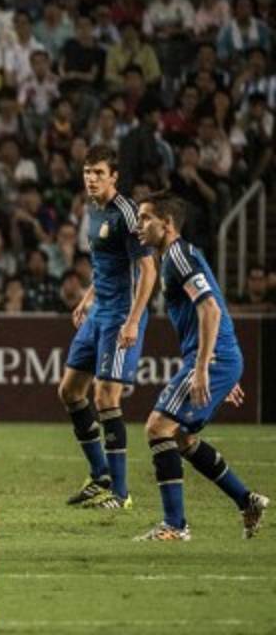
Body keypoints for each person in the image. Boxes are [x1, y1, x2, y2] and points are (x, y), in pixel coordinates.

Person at [134, 192, 268, 541]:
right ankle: (246, 499)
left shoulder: (178, 255)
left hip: (213, 359)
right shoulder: (174, 257)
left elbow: (211, 309)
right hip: (220, 357)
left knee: (158, 427)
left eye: (146, 218)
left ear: (167, 224)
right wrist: (224, 369)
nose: (139, 225)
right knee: (183, 437)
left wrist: (208, 366)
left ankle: (175, 526)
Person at [58, 145, 157, 510]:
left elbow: (148, 271)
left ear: (114, 176)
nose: (92, 178)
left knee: (106, 398)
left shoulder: (128, 214)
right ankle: (100, 475)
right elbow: (109, 265)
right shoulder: (92, 210)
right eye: (87, 172)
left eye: (99, 172)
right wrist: (87, 298)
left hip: (121, 315)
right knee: (70, 392)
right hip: (99, 310)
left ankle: (120, 493)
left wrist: (132, 320)